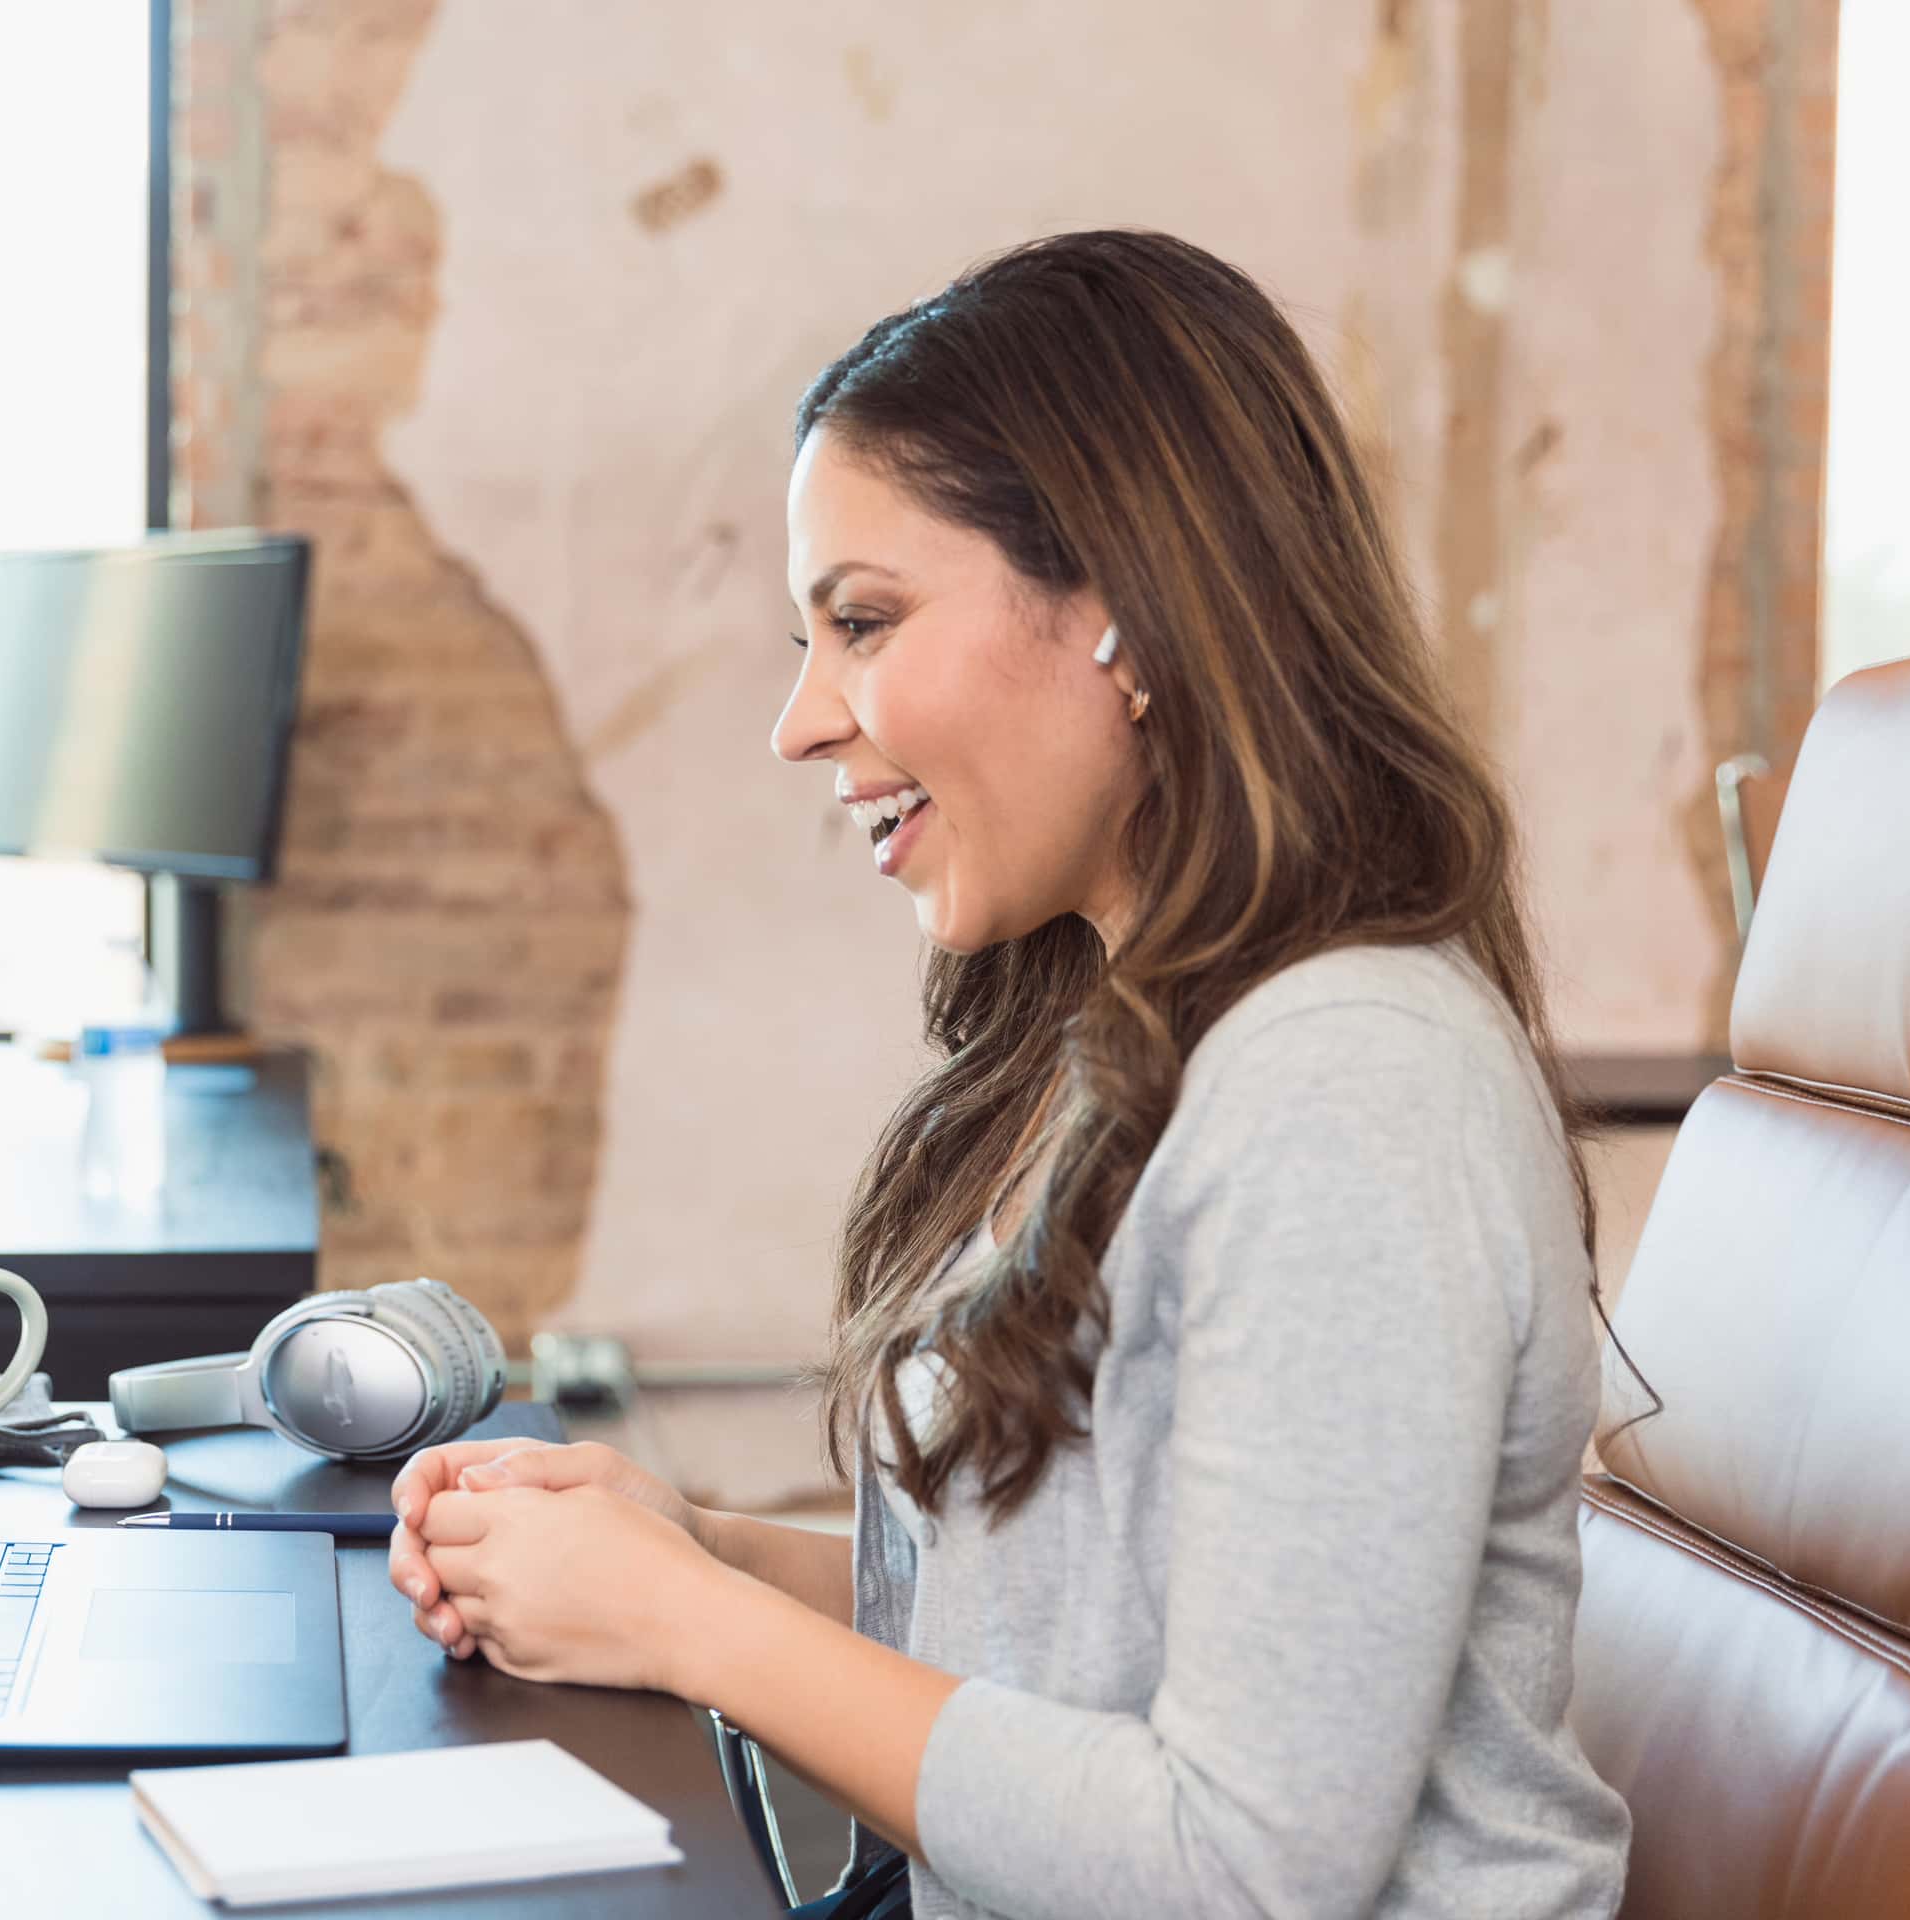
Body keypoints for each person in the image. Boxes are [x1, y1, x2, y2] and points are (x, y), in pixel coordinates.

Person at [387, 230, 1639, 1920]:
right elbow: (1058, 1663)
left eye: (864, 622)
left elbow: (1243, 1867)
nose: (802, 721)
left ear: (1128, 604)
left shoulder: (1353, 1089)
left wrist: (691, 1626)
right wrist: (689, 1555)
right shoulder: (1125, 1039)